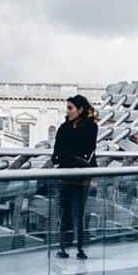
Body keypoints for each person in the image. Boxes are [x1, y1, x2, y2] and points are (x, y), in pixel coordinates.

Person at [51, 95, 98, 264]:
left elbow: (85, 149)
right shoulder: (64, 127)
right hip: (65, 175)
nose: (68, 111)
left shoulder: (90, 127)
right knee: (65, 213)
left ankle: (78, 247)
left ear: (80, 110)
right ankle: (65, 246)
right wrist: (69, 156)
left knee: (78, 212)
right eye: (67, 108)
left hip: (79, 176)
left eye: (71, 108)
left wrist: (67, 156)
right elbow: (56, 154)